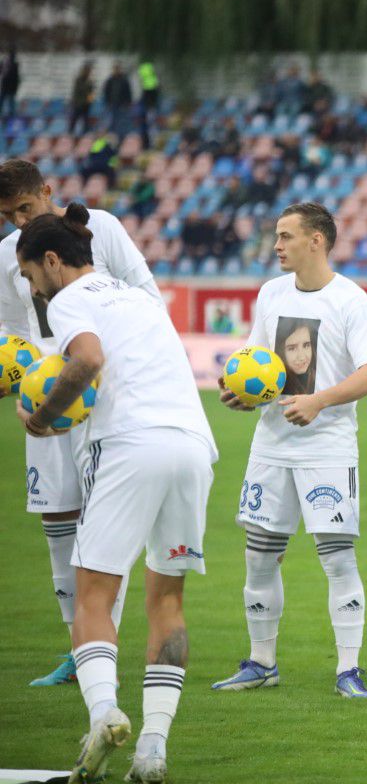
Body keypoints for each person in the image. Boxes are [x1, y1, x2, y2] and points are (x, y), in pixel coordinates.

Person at [15, 204, 217, 782]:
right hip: (192, 446)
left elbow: (89, 360)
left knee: (93, 596)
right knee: (167, 600)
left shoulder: (72, 299)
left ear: (53, 262)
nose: (33, 287)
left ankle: (103, 712)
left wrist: (44, 416)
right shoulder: (141, 297)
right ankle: (153, 746)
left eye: (31, 275)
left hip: (129, 443)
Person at [211, 203, 367, 699]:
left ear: (317, 240)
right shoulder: (270, 293)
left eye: (286, 236)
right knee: (259, 558)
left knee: (336, 558)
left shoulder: (351, 300)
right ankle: (261, 661)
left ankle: (348, 669)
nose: (277, 245)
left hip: (327, 448)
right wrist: (242, 395)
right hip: (270, 446)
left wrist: (319, 400)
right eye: (276, 235)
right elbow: (257, 365)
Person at [0, 159, 162, 688]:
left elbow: (146, 294)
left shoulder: (101, 227)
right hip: (45, 396)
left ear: (46, 191)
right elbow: (10, 332)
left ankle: (101, 647)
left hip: (103, 396)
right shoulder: (7, 255)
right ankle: (78, 650)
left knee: (100, 524)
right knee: (57, 524)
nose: (18, 222)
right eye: (7, 215)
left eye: (25, 208)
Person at [69, 62, 95, 136]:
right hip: (78, 104)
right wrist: (76, 102)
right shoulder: (78, 80)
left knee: (86, 120)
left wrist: (90, 102)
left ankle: (85, 134)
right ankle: (70, 133)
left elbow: (91, 93)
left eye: (89, 71)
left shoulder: (90, 82)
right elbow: (76, 92)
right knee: (74, 119)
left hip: (86, 105)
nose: (88, 72)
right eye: (86, 70)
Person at [0, 47, 19, 119]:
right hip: (6, 85)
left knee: (11, 101)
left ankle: (12, 114)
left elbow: (16, 77)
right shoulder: (4, 63)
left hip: (10, 86)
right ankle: (9, 113)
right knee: (4, 100)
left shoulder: (15, 64)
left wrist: (16, 87)